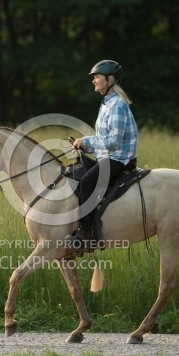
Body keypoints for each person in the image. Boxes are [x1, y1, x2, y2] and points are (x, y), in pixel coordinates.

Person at [66, 60, 138, 248]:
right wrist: (84, 147)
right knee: (74, 173)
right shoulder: (106, 103)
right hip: (107, 157)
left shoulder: (117, 105)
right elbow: (103, 139)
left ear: (110, 79)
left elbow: (114, 140)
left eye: (97, 76)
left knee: (87, 183)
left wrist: (86, 141)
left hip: (119, 159)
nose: (94, 80)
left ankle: (87, 235)